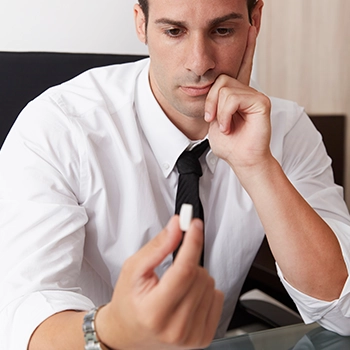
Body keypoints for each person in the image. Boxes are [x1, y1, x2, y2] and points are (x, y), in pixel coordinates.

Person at [0, 0, 349, 349]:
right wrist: (115, 329)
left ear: (254, 20)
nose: (199, 63)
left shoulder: (285, 130)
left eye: (222, 30)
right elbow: (20, 323)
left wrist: (257, 166)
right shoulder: (58, 128)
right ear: (141, 24)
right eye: (174, 31)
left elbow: (342, 312)